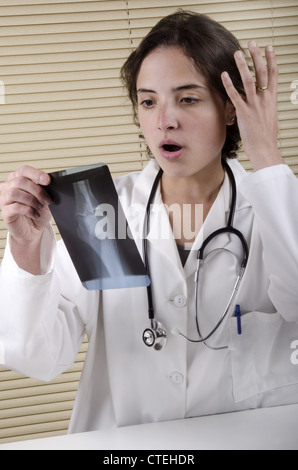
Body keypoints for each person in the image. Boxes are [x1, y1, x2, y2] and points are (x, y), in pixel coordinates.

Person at [0, 10, 298, 434]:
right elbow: (37, 356)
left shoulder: (278, 208)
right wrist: (27, 249)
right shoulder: (100, 209)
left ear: (232, 109)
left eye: (188, 98)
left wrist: (267, 153)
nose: (165, 120)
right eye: (148, 101)